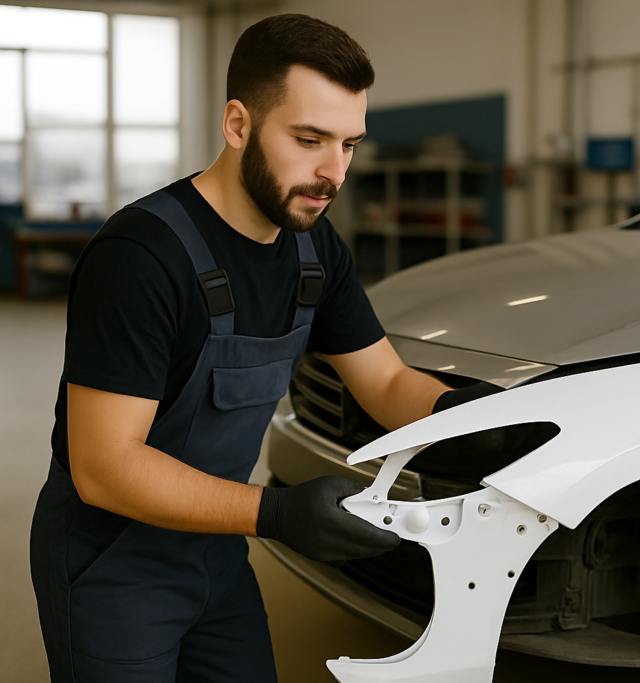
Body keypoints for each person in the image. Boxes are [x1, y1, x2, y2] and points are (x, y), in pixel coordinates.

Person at [29, 13, 470, 682]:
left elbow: (383, 382)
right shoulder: (141, 257)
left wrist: (469, 420)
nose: (333, 173)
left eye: (350, 144)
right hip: (113, 562)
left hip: (216, 549)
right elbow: (105, 466)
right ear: (238, 125)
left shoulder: (314, 249)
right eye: (309, 139)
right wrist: (278, 512)